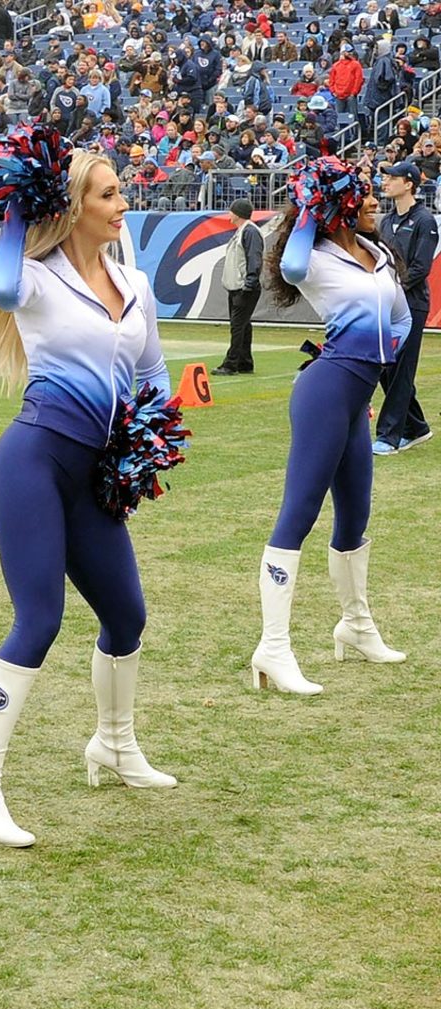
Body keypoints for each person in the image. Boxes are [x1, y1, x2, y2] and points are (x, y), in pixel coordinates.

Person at [0, 149, 178, 849]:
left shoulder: (133, 281)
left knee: (127, 615)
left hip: (95, 473)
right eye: (108, 194)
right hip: (36, 462)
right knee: (39, 619)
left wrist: (150, 443)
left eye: (120, 192)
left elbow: (154, 373)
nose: (121, 204)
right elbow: (6, 285)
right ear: (74, 205)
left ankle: (113, 744)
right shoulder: (38, 280)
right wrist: (21, 204)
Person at [251, 161, 410, 697]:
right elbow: (291, 263)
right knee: (298, 514)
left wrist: (387, 353)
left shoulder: (380, 253)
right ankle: (273, 647)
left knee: (355, 516)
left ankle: (356, 626)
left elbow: (404, 316)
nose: (370, 202)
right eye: (360, 195)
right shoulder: (313, 258)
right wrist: (310, 206)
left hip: (356, 397)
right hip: (324, 392)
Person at [372, 161, 435, 454]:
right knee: (386, 367)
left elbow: (420, 267)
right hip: (387, 302)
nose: (386, 182)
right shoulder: (385, 221)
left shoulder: (424, 220)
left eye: (392, 178)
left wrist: (394, 290)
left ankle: (389, 435)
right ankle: (417, 427)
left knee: (401, 369)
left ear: (408, 183)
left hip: (411, 303)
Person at [214, 198, 264, 375]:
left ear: (237, 214)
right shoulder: (244, 231)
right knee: (243, 325)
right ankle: (244, 362)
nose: (229, 213)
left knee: (237, 326)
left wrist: (249, 283)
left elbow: (254, 258)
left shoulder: (249, 232)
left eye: (231, 210)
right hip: (238, 286)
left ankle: (231, 364)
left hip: (244, 287)